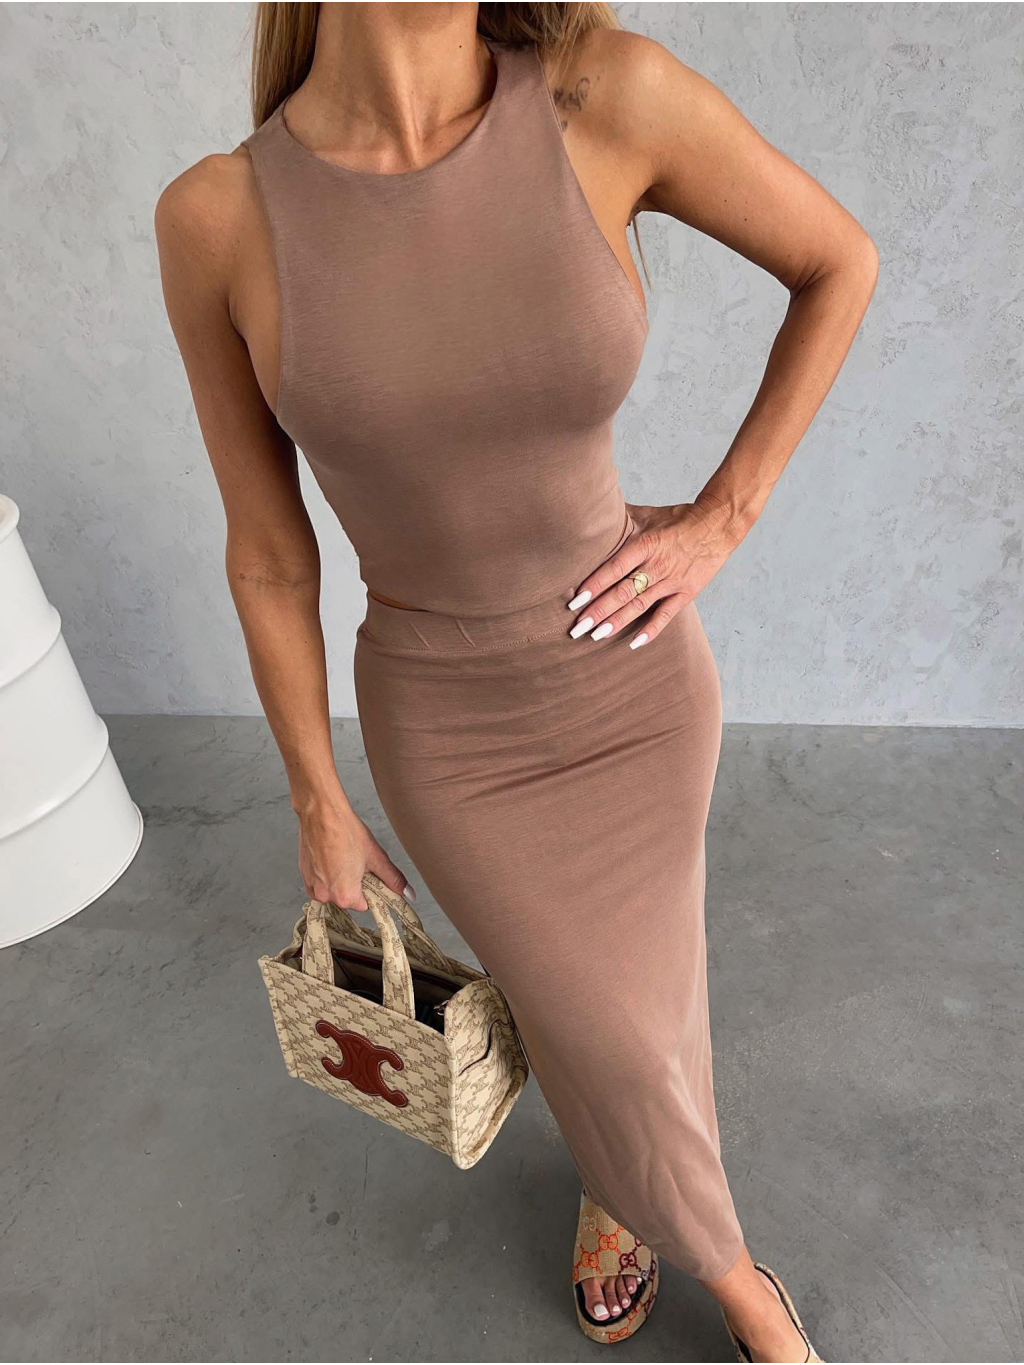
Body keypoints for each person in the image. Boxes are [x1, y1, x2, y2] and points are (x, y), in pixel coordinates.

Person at [155, 4, 876, 1359]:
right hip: (450, 731)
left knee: (643, 1004)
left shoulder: (606, 97)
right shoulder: (221, 216)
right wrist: (315, 792)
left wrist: (723, 517)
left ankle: (625, 1187)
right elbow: (268, 555)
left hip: (636, 677)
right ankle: (744, 1289)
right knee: (593, 1017)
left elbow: (839, 260)